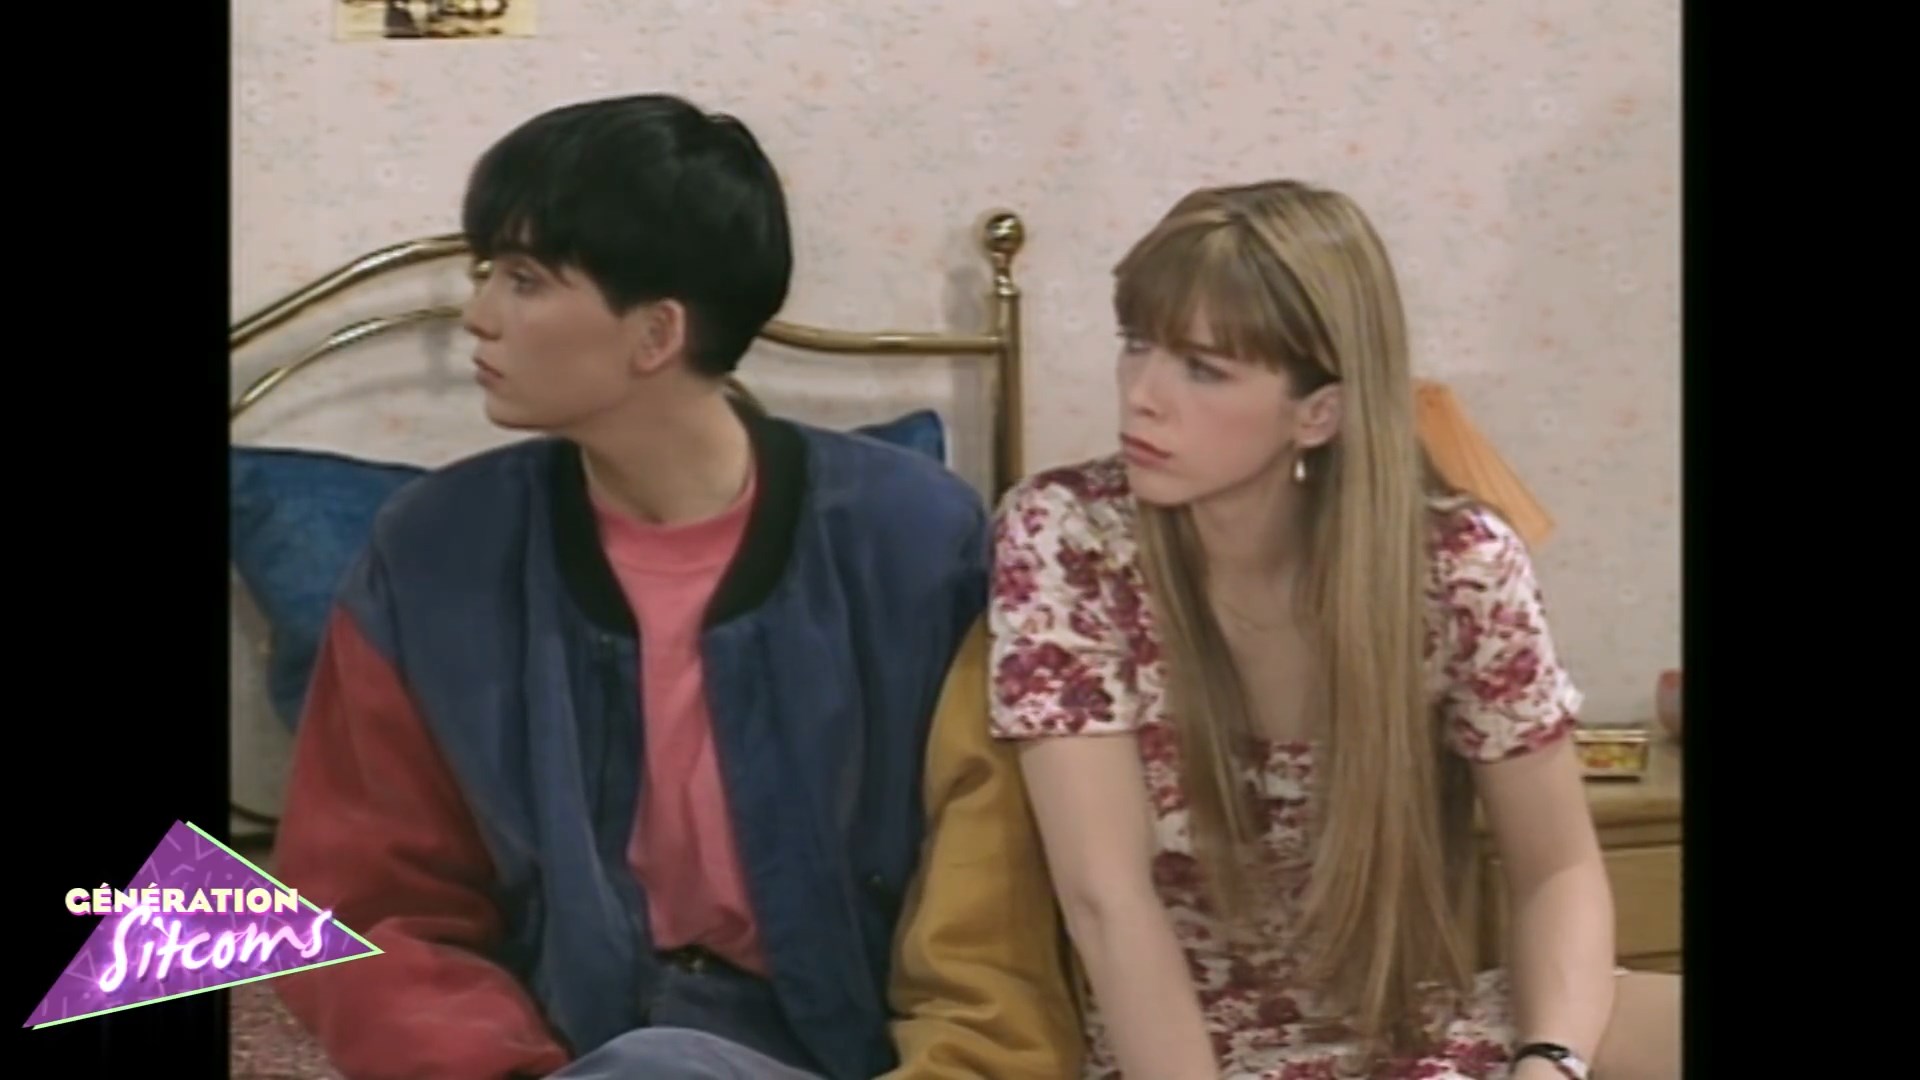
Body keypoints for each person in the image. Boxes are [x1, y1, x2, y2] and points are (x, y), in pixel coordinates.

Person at [268, 93, 1081, 1080]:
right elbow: (371, 905)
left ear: (656, 334)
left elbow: (993, 912)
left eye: (524, 280)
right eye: (486, 274)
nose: (476, 317)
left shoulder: (912, 542)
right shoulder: (434, 552)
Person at [986, 180, 1681, 1080]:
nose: (1141, 395)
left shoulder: (1459, 564)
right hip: (1195, 1052)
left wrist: (1549, 1063)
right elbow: (1106, 901)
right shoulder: (1068, 536)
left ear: (1318, 412)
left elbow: (1557, 870)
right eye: (1136, 344)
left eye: (1203, 368)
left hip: (1421, 1025)